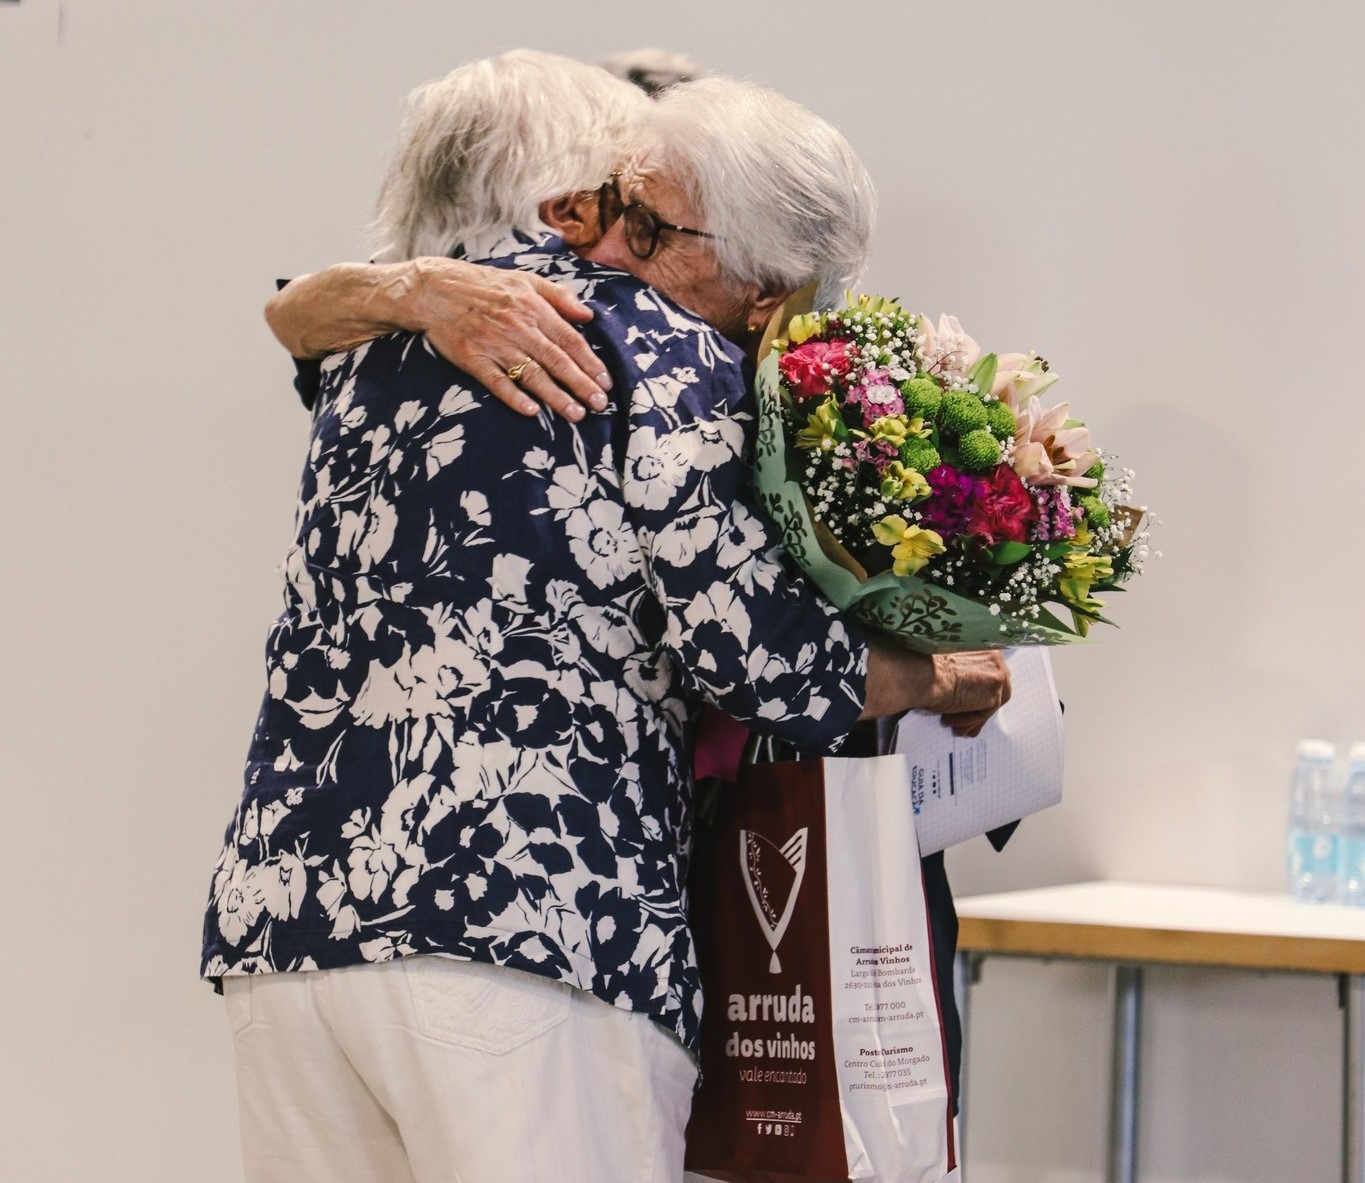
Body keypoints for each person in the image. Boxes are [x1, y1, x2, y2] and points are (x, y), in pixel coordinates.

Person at [204, 52, 1009, 1183]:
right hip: (526, 926)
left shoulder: (396, 332)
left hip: (289, 924)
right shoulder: (671, 354)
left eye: (636, 214)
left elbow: (291, 314)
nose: (601, 234)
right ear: (770, 288)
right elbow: (762, 660)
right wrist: (939, 677)